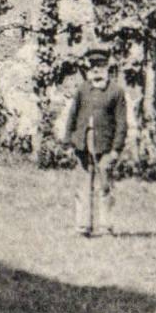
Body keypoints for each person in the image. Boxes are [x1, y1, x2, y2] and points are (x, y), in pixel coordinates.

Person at [63, 44, 128, 235]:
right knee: (83, 187)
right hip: (83, 143)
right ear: (88, 68)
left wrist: (116, 149)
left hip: (105, 146)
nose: (96, 69)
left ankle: (106, 226)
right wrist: (68, 141)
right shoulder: (83, 89)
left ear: (107, 67)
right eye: (92, 66)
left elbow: (121, 123)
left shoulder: (116, 92)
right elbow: (72, 116)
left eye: (100, 65)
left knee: (105, 186)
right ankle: (83, 226)